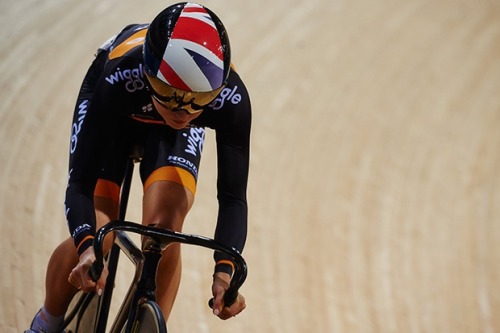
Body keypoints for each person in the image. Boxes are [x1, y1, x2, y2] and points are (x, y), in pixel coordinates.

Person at [25, 2, 251, 332]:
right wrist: (87, 247)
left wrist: (224, 273)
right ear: (147, 73)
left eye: (197, 101)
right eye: (168, 93)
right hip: (118, 113)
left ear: (215, 89)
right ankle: (47, 321)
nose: (182, 112)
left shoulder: (230, 98)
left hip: (168, 136)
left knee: (165, 230)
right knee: (101, 230)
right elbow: (80, 185)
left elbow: (233, 198)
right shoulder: (119, 75)